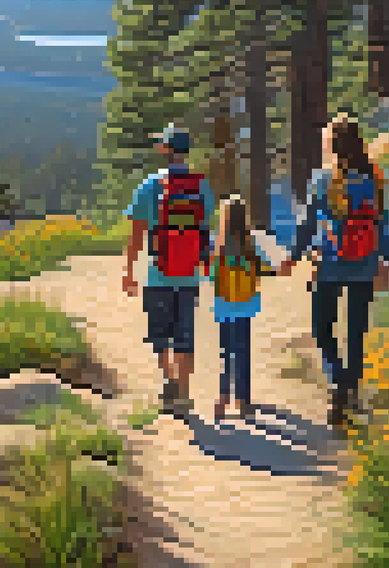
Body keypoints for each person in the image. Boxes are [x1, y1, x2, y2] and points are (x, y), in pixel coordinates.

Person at [281, 112, 389, 431]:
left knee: (322, 330)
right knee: (356, 333)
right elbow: (381, 224)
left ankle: (337, 385)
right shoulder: (374, 180)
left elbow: (306, 226)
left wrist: (293, 256)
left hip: (329, 264)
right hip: (364, 264)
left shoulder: (322, 180)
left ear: (331, 145)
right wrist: (385, 260)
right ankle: (352, 394)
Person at [122, 125, 217, 418]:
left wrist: (129, 272)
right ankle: (184, 393)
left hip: (157, 272)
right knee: (185, 334)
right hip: (189, 273)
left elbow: (136, 235)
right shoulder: (201, 187)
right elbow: (205, 230)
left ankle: (168, 380)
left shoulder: (150, 185)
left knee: (160, 333)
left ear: (165, 149)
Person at [208, 194, 286, 421]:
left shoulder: (218, 244)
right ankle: (243, 401)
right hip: (245, 304)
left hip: (223, 305)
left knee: (226, 352)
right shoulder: (251, 243)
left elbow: (210, 273)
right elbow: (267, 267)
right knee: (243, 352)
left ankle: (222, 399)